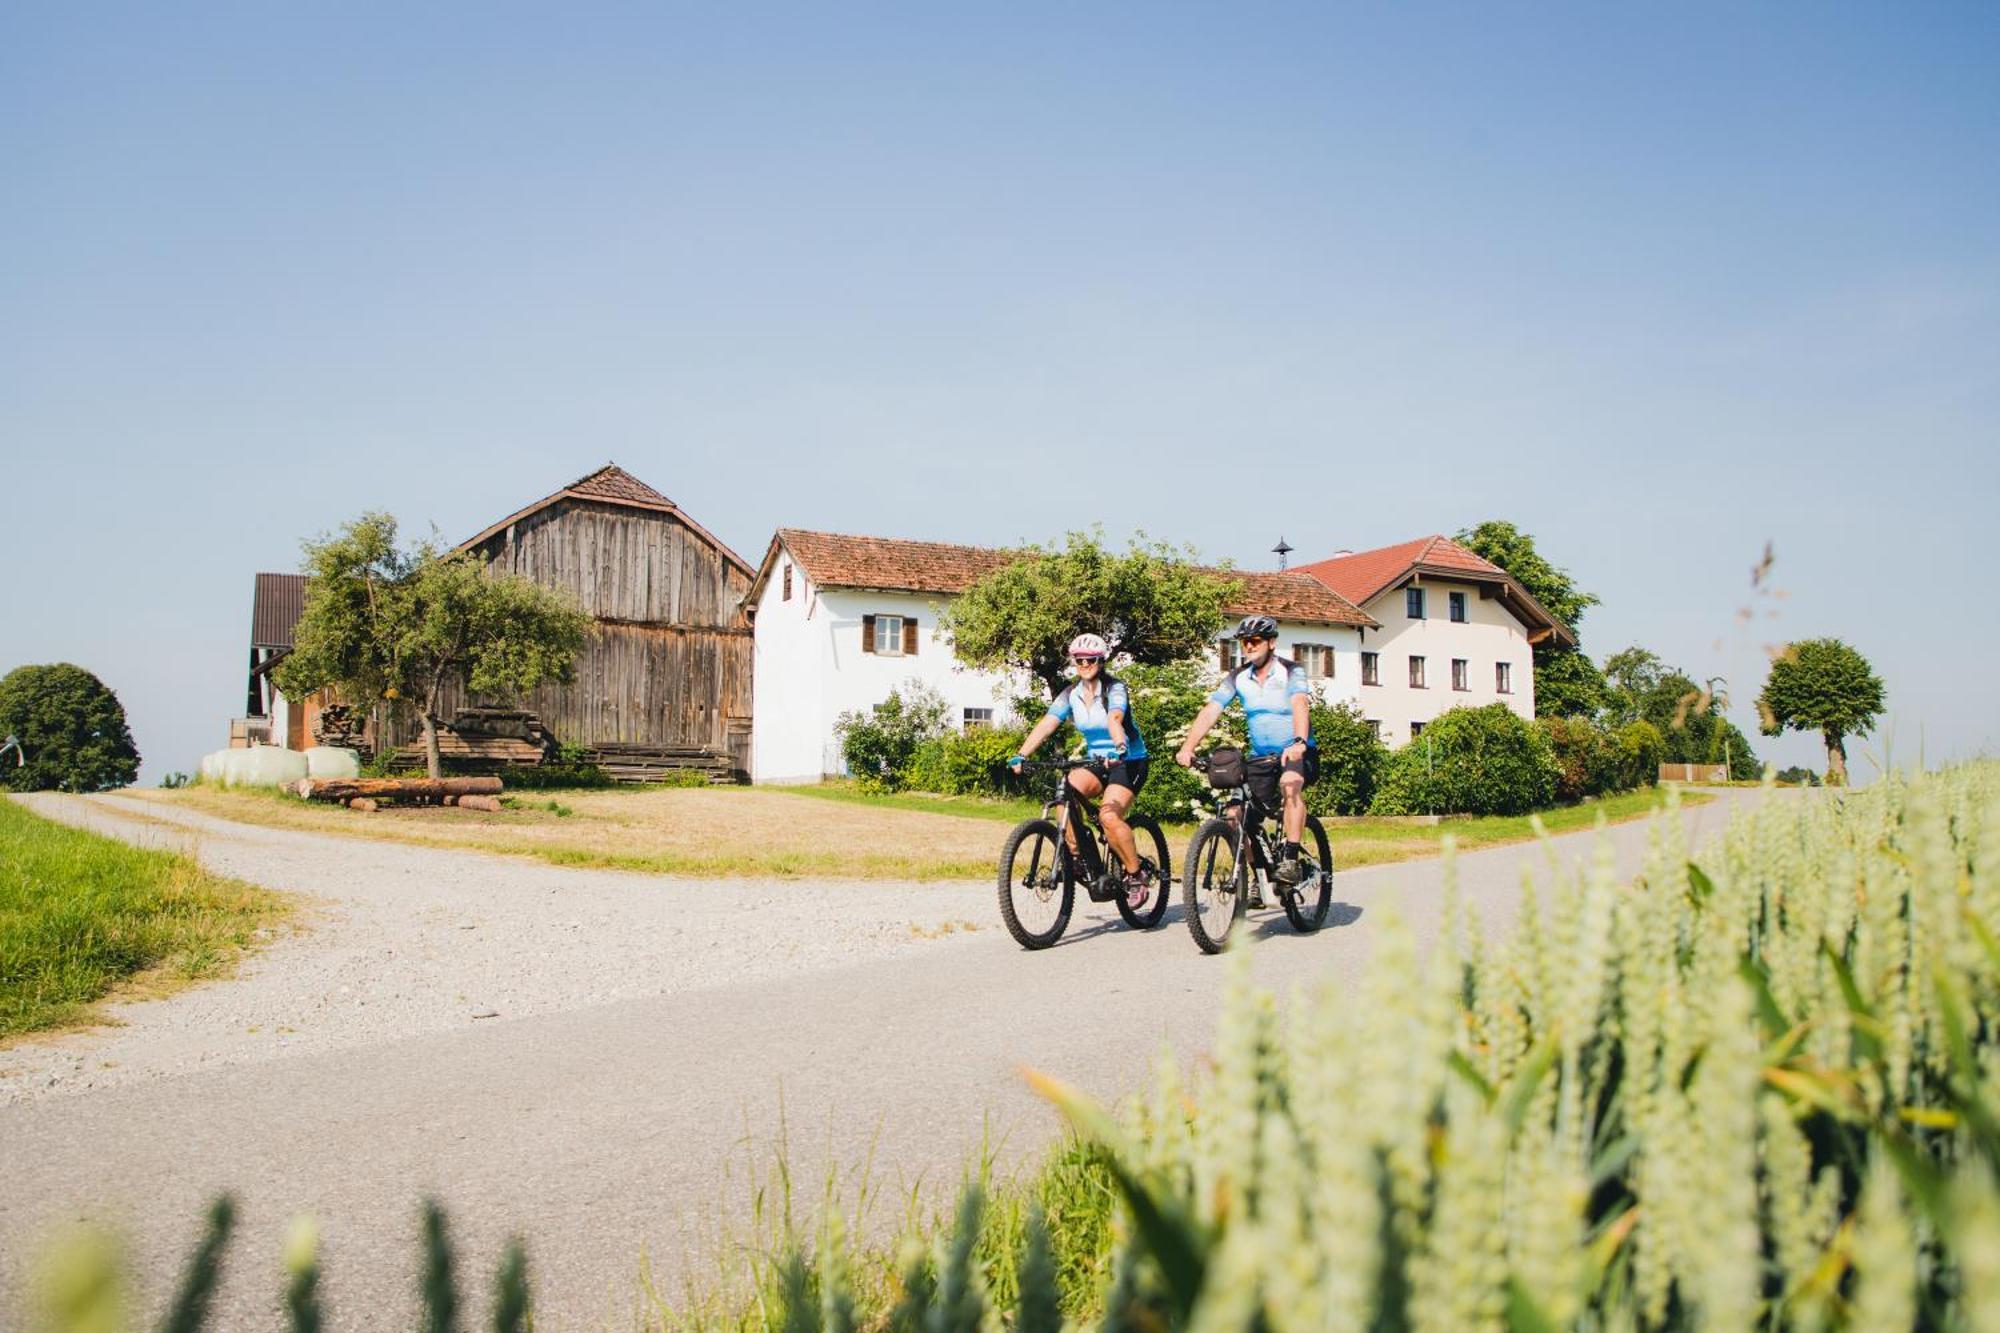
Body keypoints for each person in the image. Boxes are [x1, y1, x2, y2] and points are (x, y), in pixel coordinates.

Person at [1008, 634, 1154, 906]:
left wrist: (1119, 745)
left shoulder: (1115, 689)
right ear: (1073, 661)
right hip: (1096, 761)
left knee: (1109, 817)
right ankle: (1076, 859)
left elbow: (1115, 718)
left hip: (1128, 760)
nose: (1085, 664)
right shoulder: (1070, 694)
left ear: (1101, 660)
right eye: (1079, 659)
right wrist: (1021, 754)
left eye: (1090, 659)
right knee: (1065, 792)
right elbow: (1048, 723)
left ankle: (1136, 874)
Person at [1175, 614, 1317, 894]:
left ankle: (1289, 858)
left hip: (1296, 752)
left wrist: (1299, 740)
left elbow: (1300, 703)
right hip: (1261, 756)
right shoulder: (1238, 677)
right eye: (1244, 642)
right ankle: (1257, 876)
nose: (1249, 647)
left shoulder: (1291, 671)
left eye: (1255, 641)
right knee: (1236, 814)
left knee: (1290, 786)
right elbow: (1212, 710)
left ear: (1271, 643)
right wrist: (1188, 746)